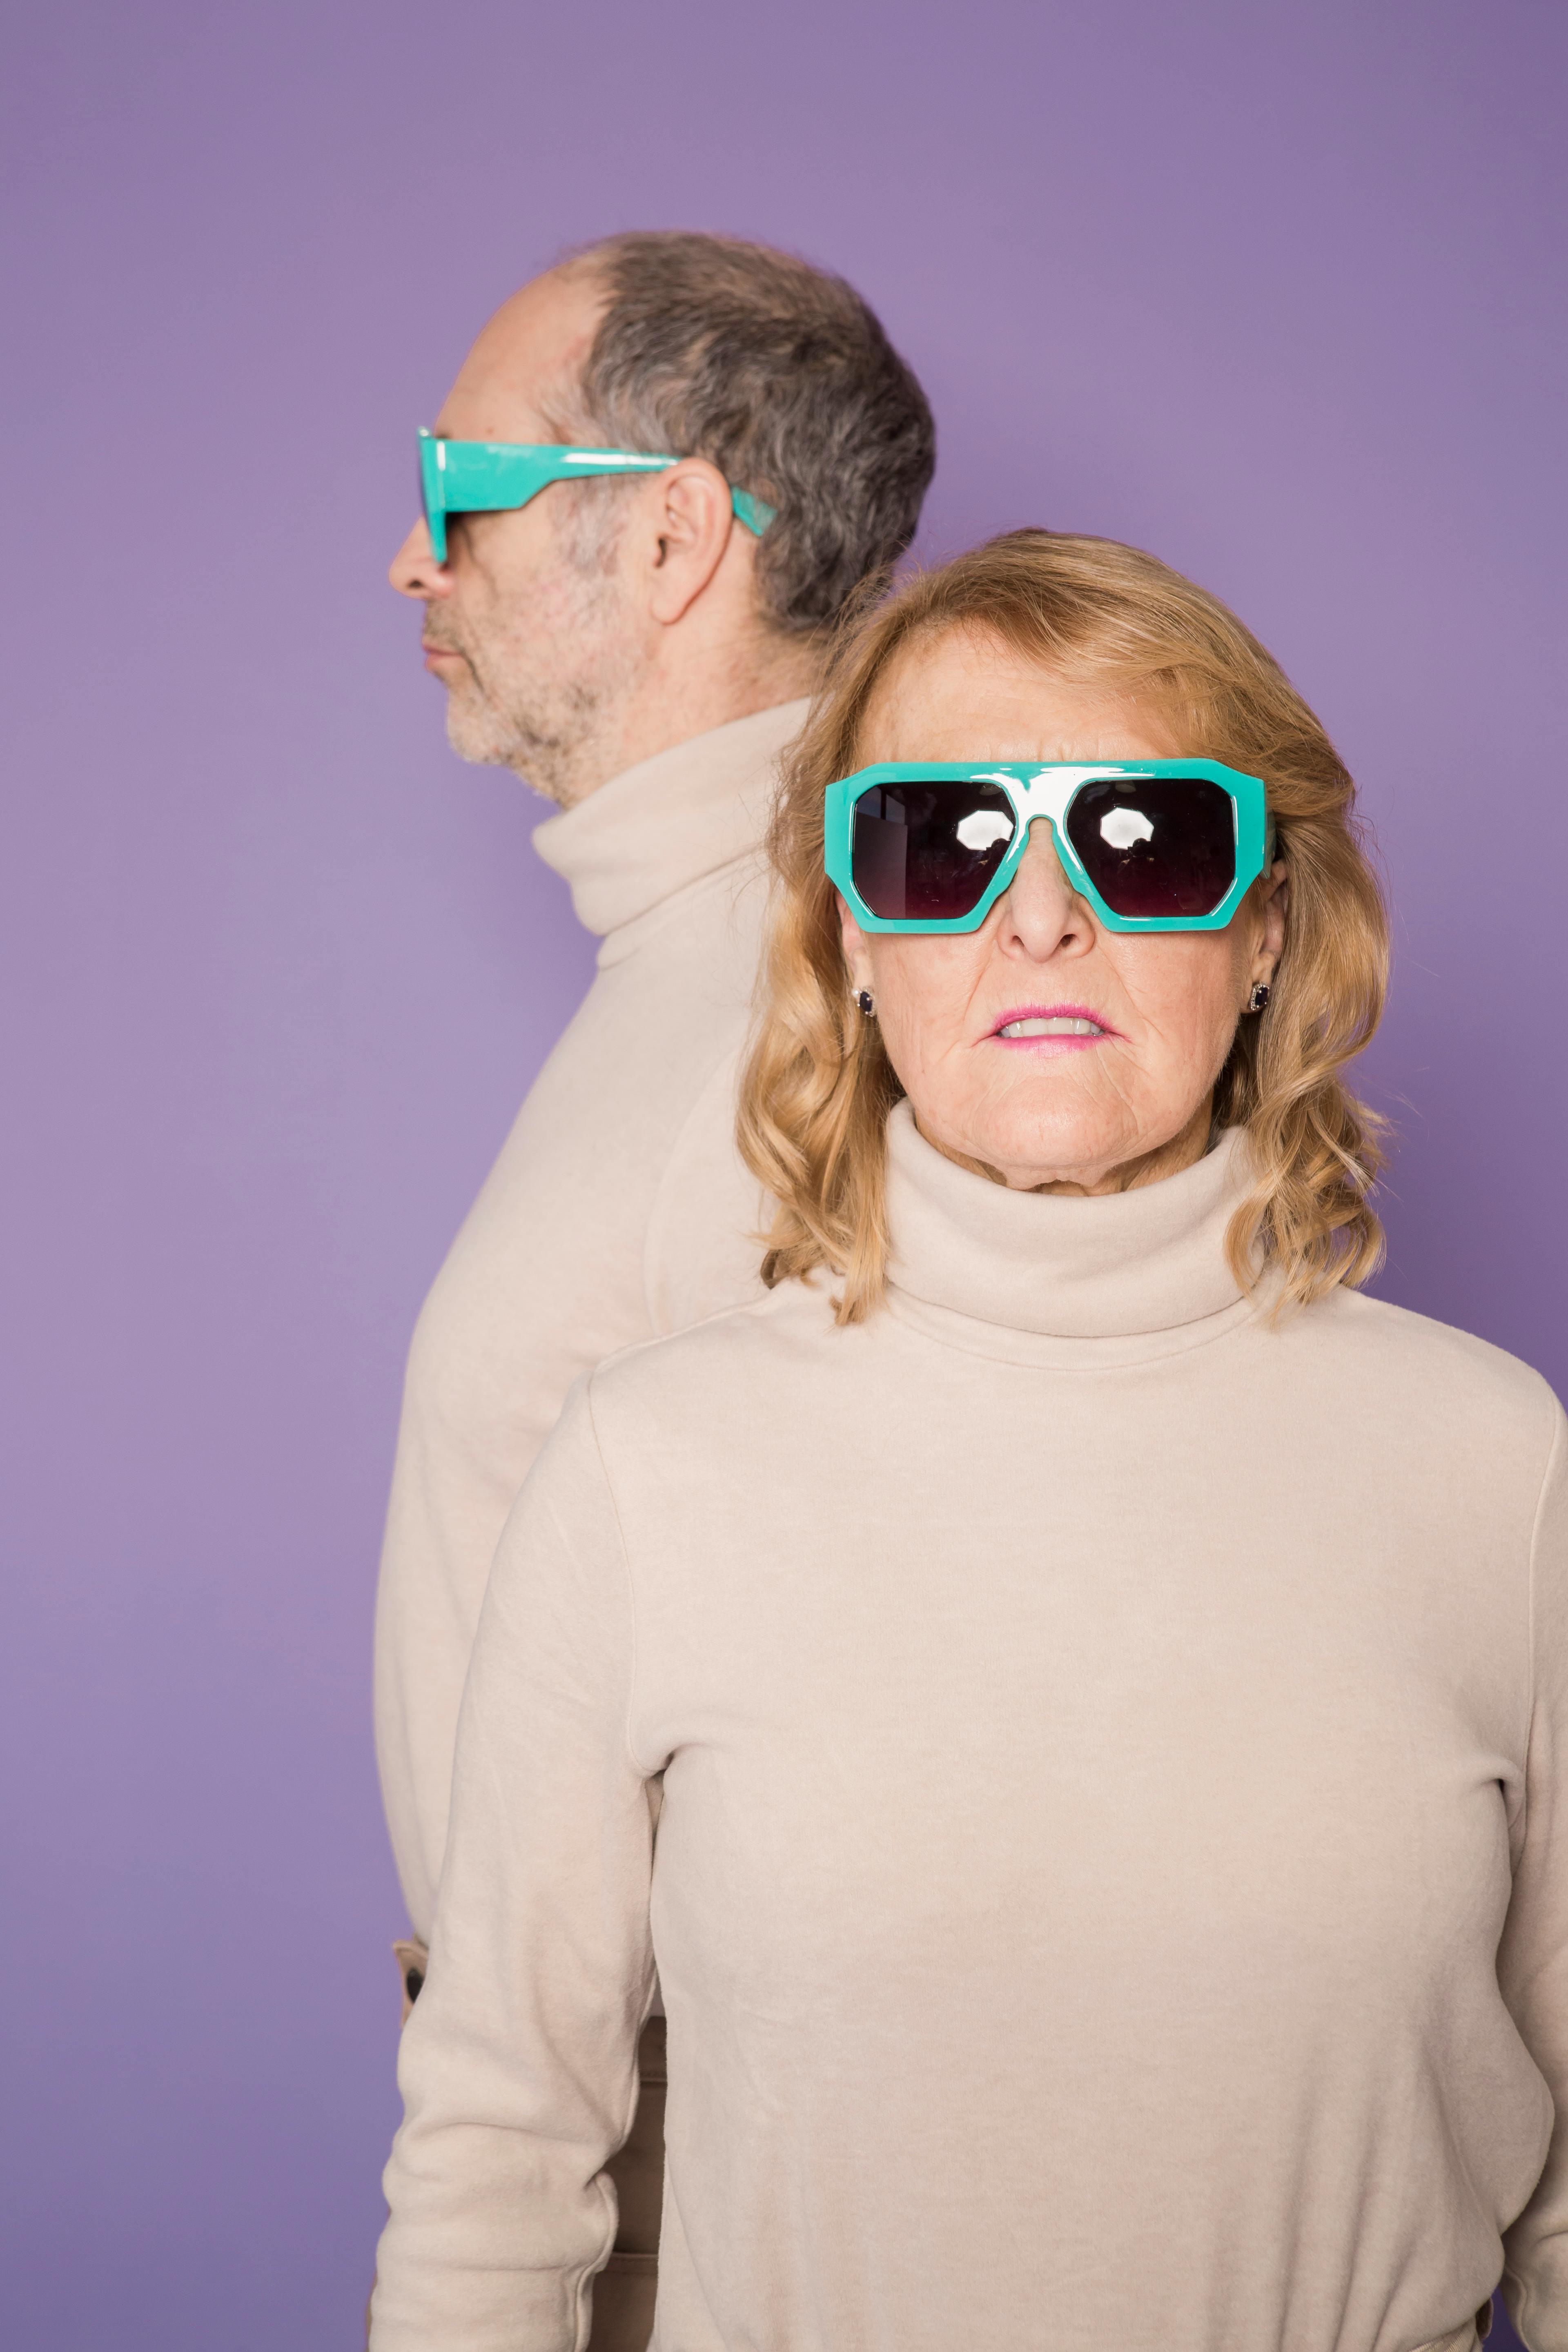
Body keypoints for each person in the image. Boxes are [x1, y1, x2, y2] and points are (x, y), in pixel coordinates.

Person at [371, 530, 1568, 2352]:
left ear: (1260, 929)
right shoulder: (647, 1468)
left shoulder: (1503, 1471)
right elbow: (496, 2163)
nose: (1039, 916)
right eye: (944, 841)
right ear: (853, 933)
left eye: (1141, 839)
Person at [374, 230, 934, 2341]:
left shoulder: (823, 999)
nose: (411, 568)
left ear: (679, 531)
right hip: (591, 2124)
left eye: (457, 496)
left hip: (698, 2157)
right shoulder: (702, 968)